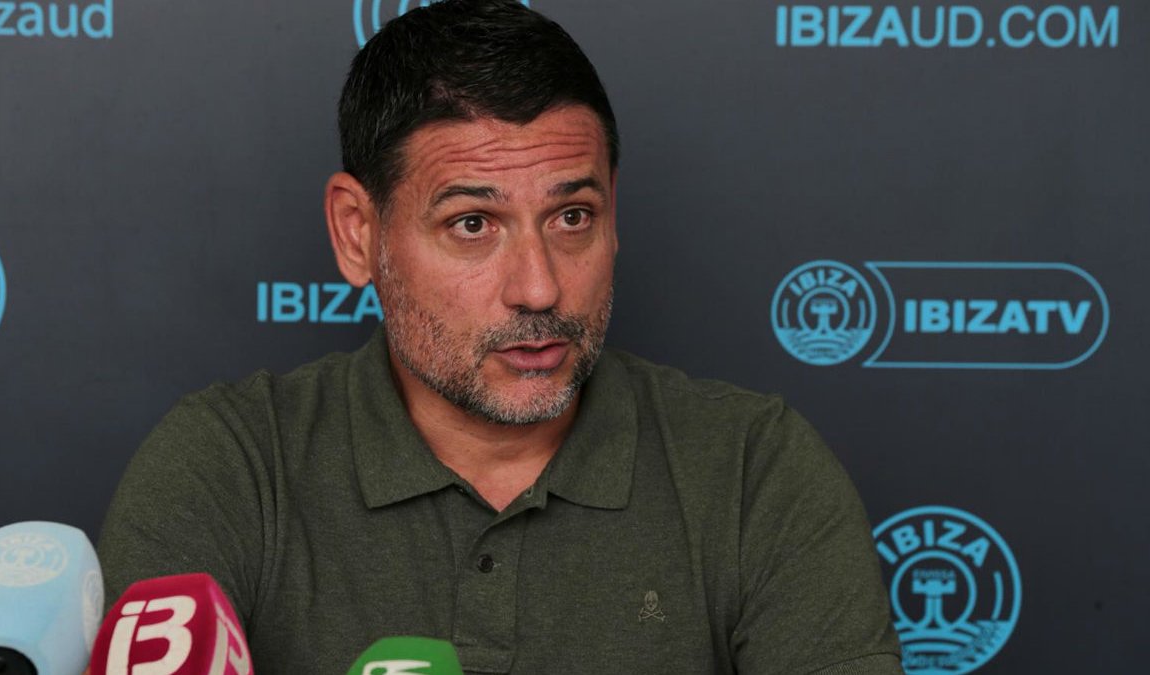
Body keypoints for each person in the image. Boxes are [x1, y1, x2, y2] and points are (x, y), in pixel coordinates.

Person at [98, 1, 903, 672]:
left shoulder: (755, 469)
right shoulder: (230, 465)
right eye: (473, 224)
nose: (539, 287)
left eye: (572, 216)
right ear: (357, 233)